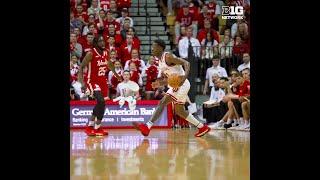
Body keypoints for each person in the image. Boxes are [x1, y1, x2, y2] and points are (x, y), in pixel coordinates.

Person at [132, 39, 211, 137]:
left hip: (182, 84)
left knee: (162, 102)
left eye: (154, 46)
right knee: (179, 111)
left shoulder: (168, 57)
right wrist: (159, 83)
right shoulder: (160, 62)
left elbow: (187, 63)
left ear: (160, 48)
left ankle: (147, 126)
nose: (152, 48)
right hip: (176, 85)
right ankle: (202, 127)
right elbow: (170, 79)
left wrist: (183, 78)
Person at [78, 35, 122, 136]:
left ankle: (94, 127)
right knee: (101, 101)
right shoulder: (90, 53)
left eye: (103, 41)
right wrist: (82, 83)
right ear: (96, 43)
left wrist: (116, 75)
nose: (102, 42)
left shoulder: (106, 52)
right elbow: (81, 67)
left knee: (101, 104)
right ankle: (93, 126)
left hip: (102, 81)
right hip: (92, 81)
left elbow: (109, 64)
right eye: (100, 41)